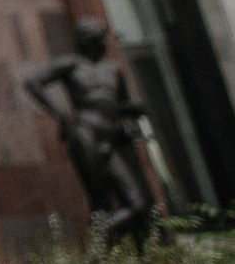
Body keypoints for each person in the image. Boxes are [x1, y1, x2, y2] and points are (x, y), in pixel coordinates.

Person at [26, 17, 158, 244]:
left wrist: (131, 116)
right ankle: (104, 249)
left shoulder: (113, 70)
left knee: (138, 204)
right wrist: (60, 114)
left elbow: (120, 104)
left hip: (111, 137)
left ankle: (99, 245)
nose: (103, 42)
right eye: (96, 37)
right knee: (100, 201)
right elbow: (34, 82)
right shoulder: (72, 64)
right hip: (86, 133)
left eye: (101, 36)